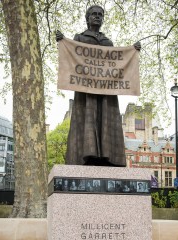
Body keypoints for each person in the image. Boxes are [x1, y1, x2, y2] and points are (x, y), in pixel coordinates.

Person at [56, 5, 141, 166]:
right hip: (86, 90)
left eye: (100, 14)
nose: (97, 16)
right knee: (88, 118)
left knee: (106, 119)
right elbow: (71, 57)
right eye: (93, 14)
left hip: (106, 91)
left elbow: (118, 63)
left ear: (103, 19)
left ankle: (107, 157)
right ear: (87, 18)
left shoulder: (108, 42)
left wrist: (132, 50)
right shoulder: (79, 38)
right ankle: (86, 155)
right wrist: (63, 41)